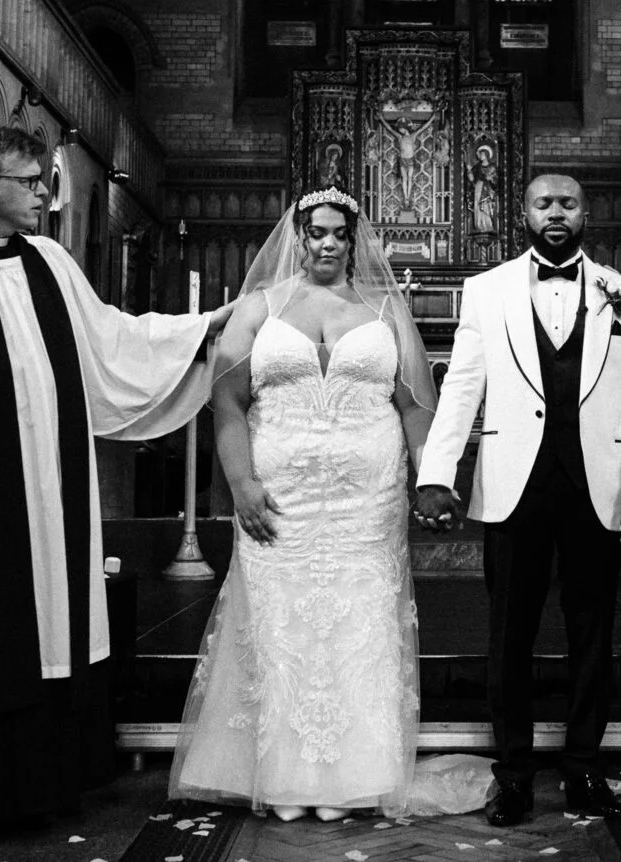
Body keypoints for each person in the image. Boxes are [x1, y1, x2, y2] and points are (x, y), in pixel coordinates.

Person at [0, 127, 234, 836]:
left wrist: (202, 329)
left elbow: (110, 340)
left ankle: (40, 787)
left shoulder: (50, 261)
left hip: (48, 494)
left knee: (48, 622)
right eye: (30, 181)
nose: (43, 195)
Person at [169, 186, 489, 820]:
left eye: (340, 233)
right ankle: (285, 779)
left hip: (365, 502)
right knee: (280, 628)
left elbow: (415, 410)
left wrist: (432, 482)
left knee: (358, 627)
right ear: (297, 236)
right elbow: (226, 403)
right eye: (316, 232)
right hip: (279, 496)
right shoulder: (258, 307)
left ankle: (352, 778)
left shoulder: (383, 308)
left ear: (354, 239)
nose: (328, 243)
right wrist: (240, 484)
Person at [414, 174, 621, 827]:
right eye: (543, 203)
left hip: (599, 487)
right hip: (512, 487)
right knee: (509, 639)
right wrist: (436, 473)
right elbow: (461, 388)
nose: (556, 213)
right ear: (523, 212)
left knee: (593, 637)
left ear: (586, 212)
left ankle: (585, 768)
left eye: (569, 203)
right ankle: (516, 775)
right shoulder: (486, 290)